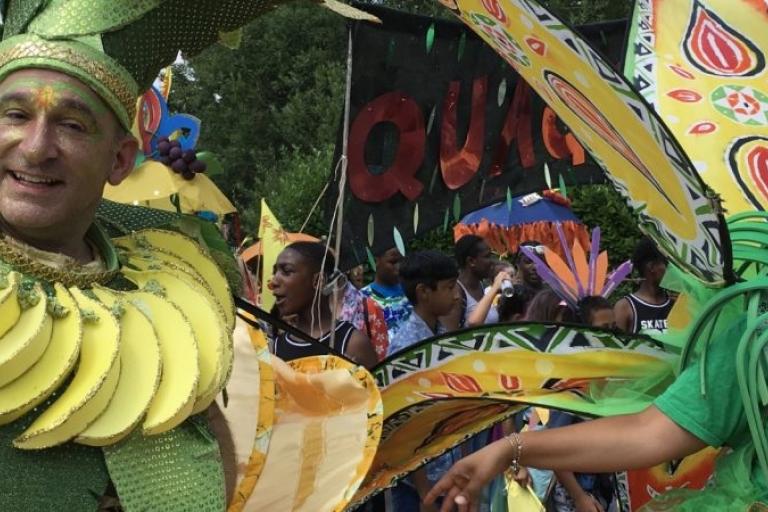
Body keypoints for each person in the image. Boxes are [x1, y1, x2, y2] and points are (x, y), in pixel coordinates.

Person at [0, 3, 277, 509]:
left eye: (72, 125)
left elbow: (202, 439)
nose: (37, 148)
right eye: (16, 115)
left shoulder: (171, 276)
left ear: (120, 160)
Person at [387, 250, 461, 511]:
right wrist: (423, 490)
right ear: (424, 292)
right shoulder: (406, 349)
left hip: (448, 470)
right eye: (449, 287)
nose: (456, 295)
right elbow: (406, 424)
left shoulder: (441, 335)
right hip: (420, 485)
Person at [547, 295, 619, 512]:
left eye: (613, 329)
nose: (610, 336)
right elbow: (553, 447)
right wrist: (579, 497)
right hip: (578, 494)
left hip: (606, 488)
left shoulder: (613, 372)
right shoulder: (570, 380)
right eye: (602, 330)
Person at [270, 241, 378, 369]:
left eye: (287, 271)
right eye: (275, 272)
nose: (273, 282)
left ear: (318, 280)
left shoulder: (353, 344)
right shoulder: (275, 349)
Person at [614, 237, 674, 334]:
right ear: (652, 267)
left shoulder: (675, 305)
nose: (671, 270)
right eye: (667, 264)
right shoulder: (625, 307)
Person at [362, 247, 413, 338]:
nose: (399, 267)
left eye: (401, 261)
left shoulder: (413, 289)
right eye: (393, 262)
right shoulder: (362, 299)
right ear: (376, 261)